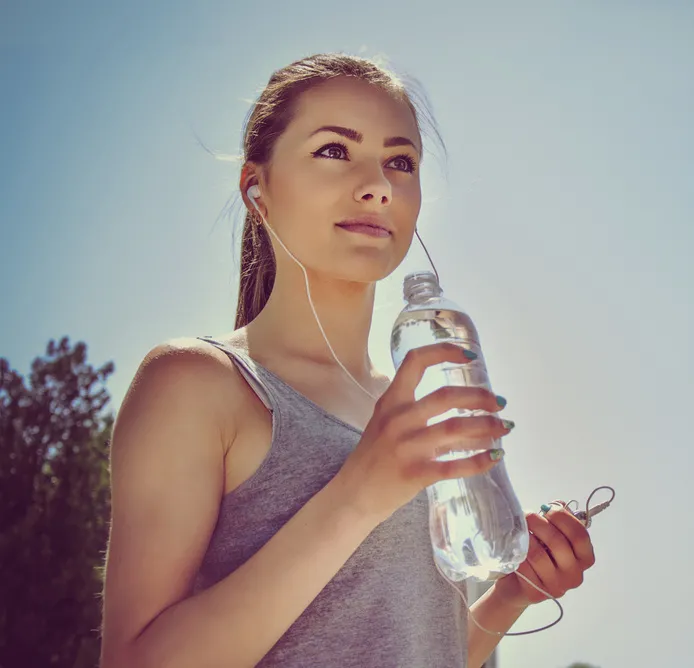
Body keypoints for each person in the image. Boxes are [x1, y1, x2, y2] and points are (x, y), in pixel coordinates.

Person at [99, 53, 597, 668]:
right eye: (335, 150)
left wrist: (512, 595)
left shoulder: (414, 410)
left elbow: (410, 650)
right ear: (257, 187)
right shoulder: (198, 385)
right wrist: (359, 493)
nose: (378, 184)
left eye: (400, 162)